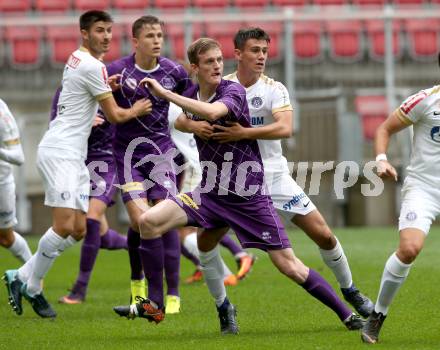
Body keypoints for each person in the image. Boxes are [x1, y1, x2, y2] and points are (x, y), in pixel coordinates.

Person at [113, 38, 364, 334]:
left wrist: (166, 94)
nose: (217, 66)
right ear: (195, 67)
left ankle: (348, 315)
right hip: (210, 193)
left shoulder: (231, 91)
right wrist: (190, 124)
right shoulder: (193, 92)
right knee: (148, 223)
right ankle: (156, 305)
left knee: (289, 266)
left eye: (219, 60)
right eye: (209, 61)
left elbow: (213, 112)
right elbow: (182, 119)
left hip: (248, 196)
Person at [186, 27, 371, 318]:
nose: (261, 57)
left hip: (274, 177)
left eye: (264, 51)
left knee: (323, 234)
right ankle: (223, 306)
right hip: (234, 183)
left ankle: (350, 290)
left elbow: (284, 128)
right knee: (204, 242)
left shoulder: (274, 88)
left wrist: (243, 133)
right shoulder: (220, 87)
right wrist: (193, 125)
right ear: (238, 54)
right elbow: (184, 117)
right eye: (254, 51)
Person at [3, 10, 152, 319]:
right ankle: (31, 287)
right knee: (63, 226)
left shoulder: (77, 60)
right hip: (61, 152)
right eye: (100, 30)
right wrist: (137, 108)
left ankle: (21, 275)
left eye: (110, 30)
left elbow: (82, 94)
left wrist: (104, 86)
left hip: (71, 154)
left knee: (81, 229)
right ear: (84, 33)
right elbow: (116, 116)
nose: (107, 36)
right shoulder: (92, 65)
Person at [106, 15, 193, 314]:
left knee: (161, 218)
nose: (157, 40)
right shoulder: (117, 71)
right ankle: (138, 286)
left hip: (162, 153)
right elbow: (101, 106)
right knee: (139, 222)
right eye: (150, 36)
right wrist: (117, 101)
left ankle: (173, 295)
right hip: (127, 155)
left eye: (160, 35)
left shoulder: (173, 71)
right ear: (135, 41)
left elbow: (191, 101)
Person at [361, 84, 440, 343]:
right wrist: (382, 159)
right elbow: (384, 129)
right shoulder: (425, 100)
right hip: (424, 189)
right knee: (409, 249)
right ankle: (377, 315)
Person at [43, 88, 128, 305]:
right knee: (103, 236)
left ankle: (79, 290)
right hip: (77, 162)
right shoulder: (64, 92)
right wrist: (80, 123)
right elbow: (55, 124)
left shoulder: (110, 91)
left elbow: (122, 118)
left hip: (107, 163)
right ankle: (146, 248)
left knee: (91, 219)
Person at [168, 101, 253, 285]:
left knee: (183, 230)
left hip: (197, 170)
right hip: (204, 168)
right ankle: (231, 260)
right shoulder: (193, 104)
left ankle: (224, 274)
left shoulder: (169, 108)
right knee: (200, 226)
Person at [0, 99, 32, 264]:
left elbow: (18, 157)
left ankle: (33, 273)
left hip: (1, 182)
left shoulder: (2, 112)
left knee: (5, 238)